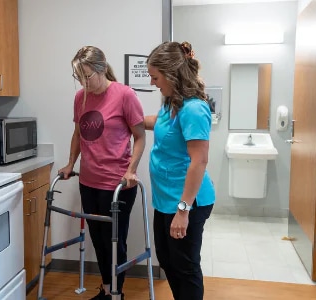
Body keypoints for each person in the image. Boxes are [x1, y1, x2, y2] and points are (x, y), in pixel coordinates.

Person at [57, 46, 146, 300]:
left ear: (102, 69)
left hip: (117, 184)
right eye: (79, 77)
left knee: (114, 242)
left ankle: (117, 292)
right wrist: (70, 164)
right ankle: (106, 290)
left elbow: (140, 137)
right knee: (97, 239)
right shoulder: (80, 98)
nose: (84, 83)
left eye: (87, 76)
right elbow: (78, 135)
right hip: (89, 181)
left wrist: (132, 170)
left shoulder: (124, 95)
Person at [143, 41, 215, 300]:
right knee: (167, 259)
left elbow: (199, 161)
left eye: (156, 77)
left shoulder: (194, 109)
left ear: (172, 74)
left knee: (185, 267)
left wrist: (183, 211)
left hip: (187, 203)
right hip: (166, 199)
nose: (153, 83)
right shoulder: (172, 103)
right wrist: (131, 119)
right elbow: (160, 124)